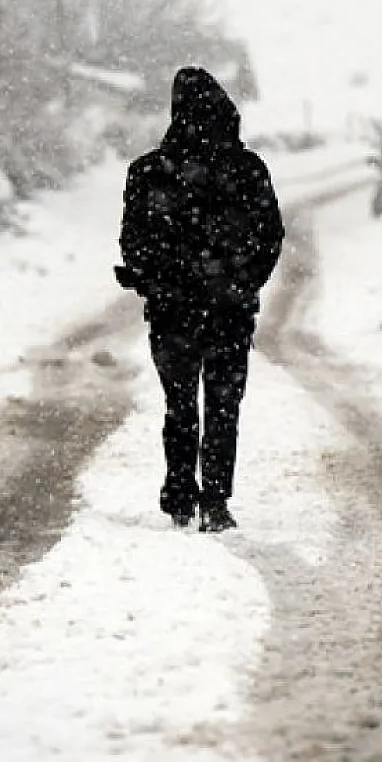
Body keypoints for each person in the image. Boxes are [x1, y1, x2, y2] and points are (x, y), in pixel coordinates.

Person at [115, 66, 284, 532]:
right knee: (223, 408)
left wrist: (162, 278)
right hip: (229, 312)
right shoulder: (248, 171)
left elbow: (133, 242)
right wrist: (240, 282)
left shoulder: (148, 172)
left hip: (172, 313)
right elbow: (269, 238)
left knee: (181, 406)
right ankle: (214, 499)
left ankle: (180, 494)